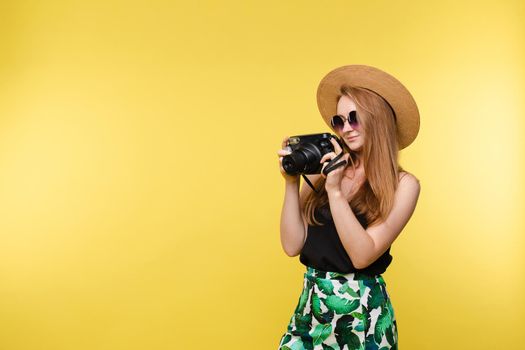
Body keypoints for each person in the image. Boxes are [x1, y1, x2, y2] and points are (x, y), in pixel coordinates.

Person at [276, 65, 421, 350]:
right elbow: (291, 245)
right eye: (339, 121)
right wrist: (291, 183)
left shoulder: (403, 185)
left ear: (378, 119)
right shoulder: (322, 171)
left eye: (354, 118)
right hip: (311, 307)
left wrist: (335, 191)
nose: (346, 129)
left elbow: (362, 256)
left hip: (361, 315)